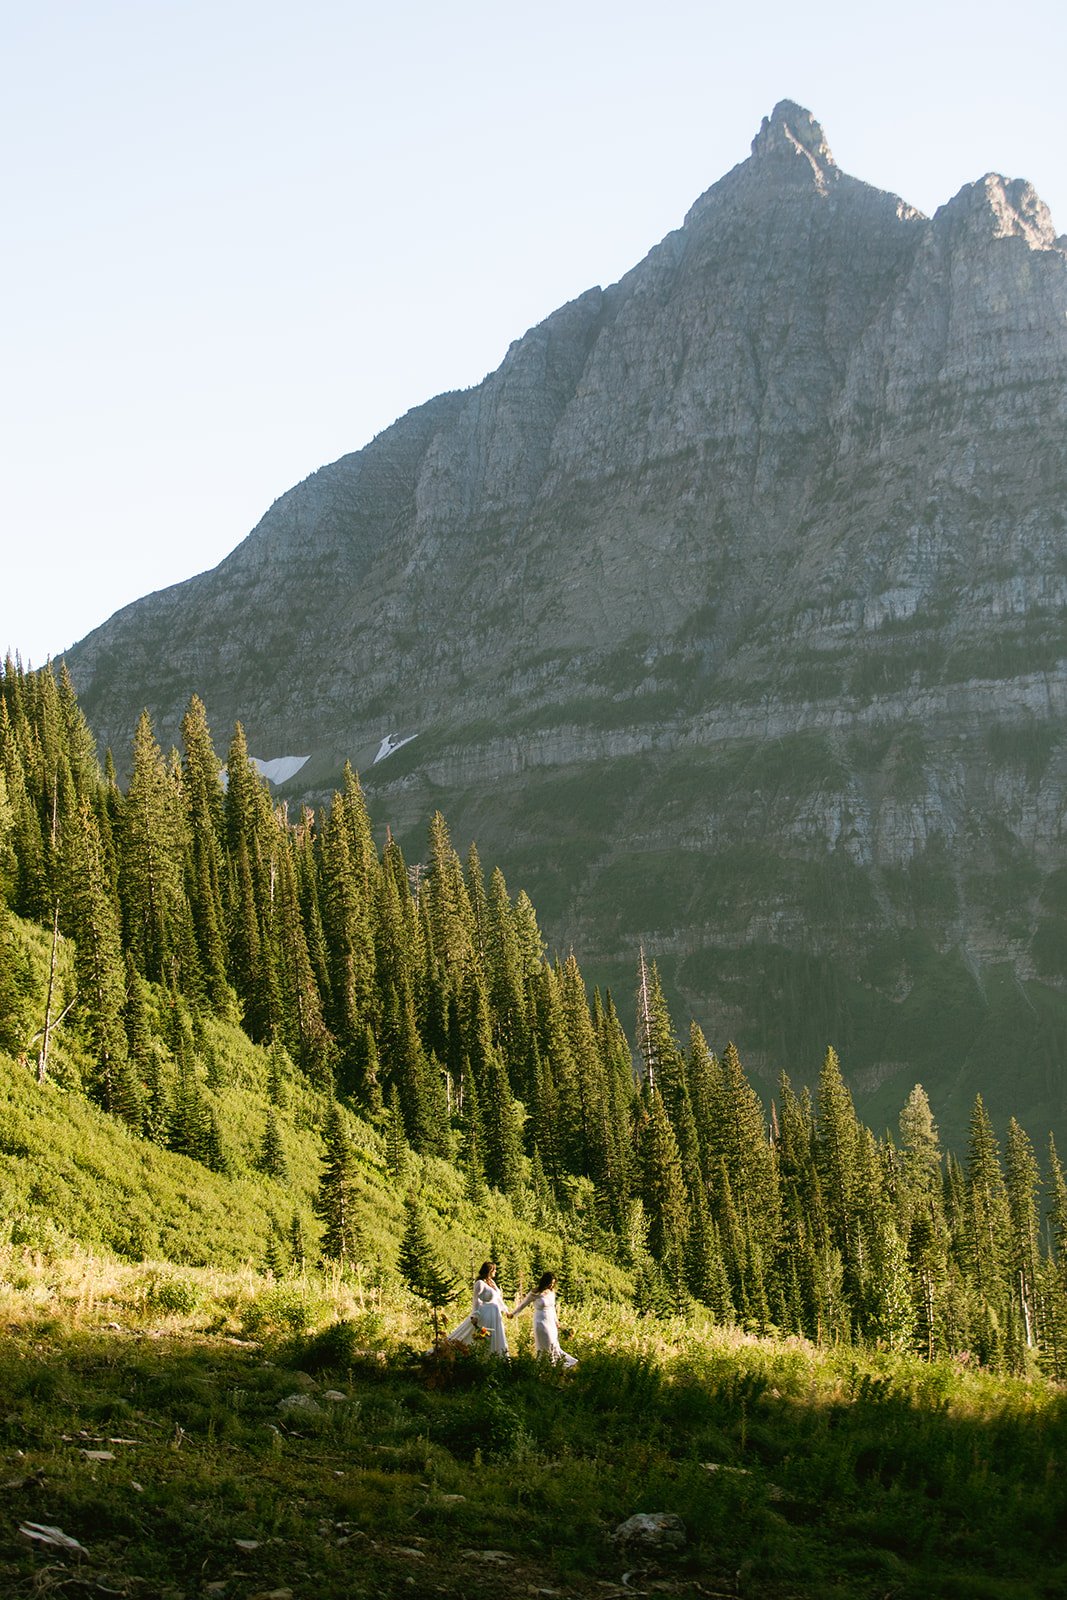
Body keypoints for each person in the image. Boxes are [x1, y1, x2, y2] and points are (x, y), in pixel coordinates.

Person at [510, 1271, 577, 1368]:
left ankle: (554, 1367)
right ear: (545, 1282)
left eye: (553, 1283)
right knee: (546, 1345)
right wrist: (513, 1314)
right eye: (550, 1283)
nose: (552, 1285)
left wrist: (557, 1321)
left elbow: (553, 1307)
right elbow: (523, 1304)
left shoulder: (551, 1292)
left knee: (554, 1344)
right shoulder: (535, 1292)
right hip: (541, 1322)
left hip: (551, 1322)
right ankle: (547, 1366)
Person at [447, 1260, 510, 1358]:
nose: (495, 1272)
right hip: (485, 1314)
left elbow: (498, 1298)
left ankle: (497, 1358)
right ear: (489, 1270)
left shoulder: (492, 1283)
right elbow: (476, 1300)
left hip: (495, 1314)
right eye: (494, 1270)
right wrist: (475, 1315)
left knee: (495, 1336)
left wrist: (505, 1310)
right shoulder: (480, 1283)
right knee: (481, 1335)